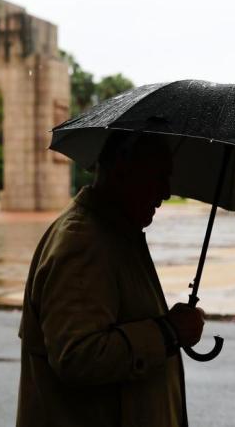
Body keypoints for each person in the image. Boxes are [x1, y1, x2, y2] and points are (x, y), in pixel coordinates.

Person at [16, 132, 205, 427]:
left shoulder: (113, 235)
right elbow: (78, 356)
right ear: (121, 171)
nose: (166, 192)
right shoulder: (83, 242)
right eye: (158, 176)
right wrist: (168, 332)